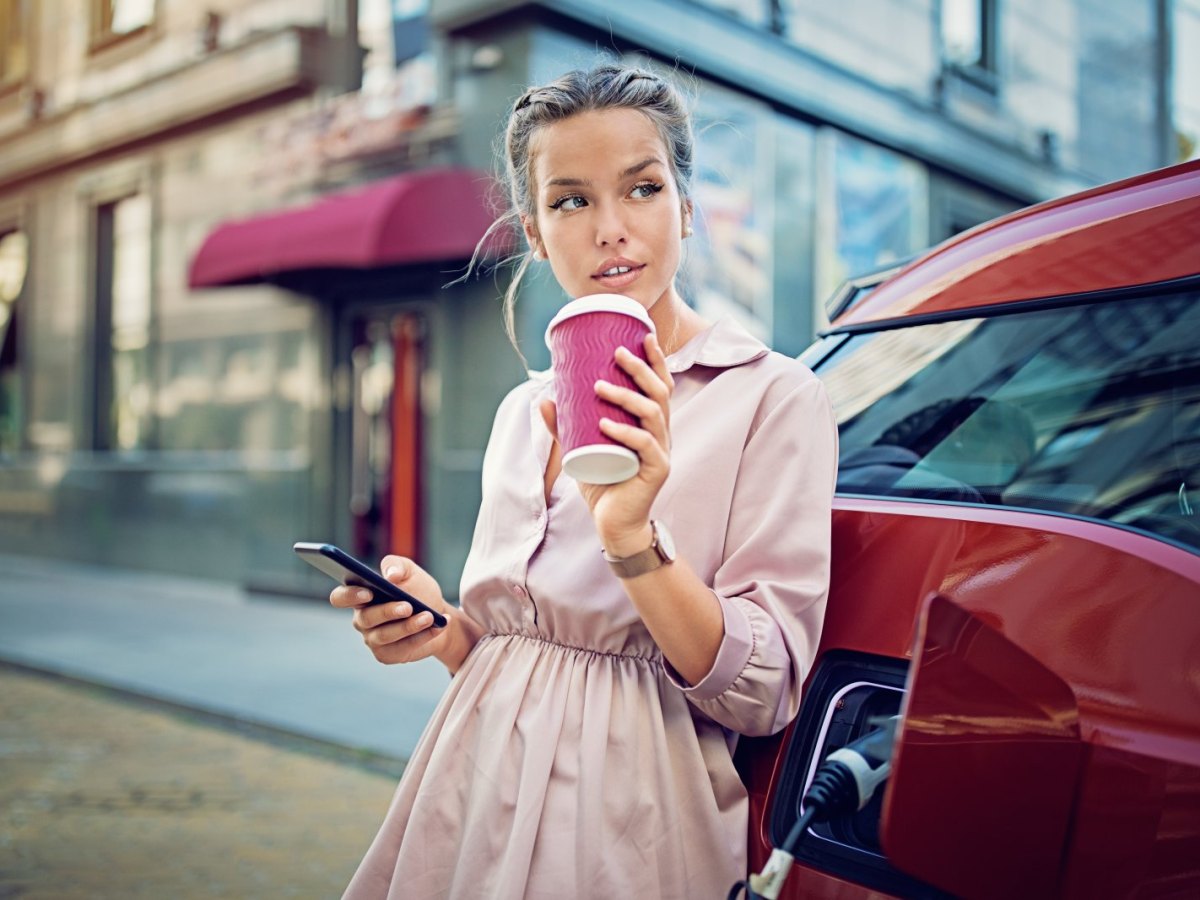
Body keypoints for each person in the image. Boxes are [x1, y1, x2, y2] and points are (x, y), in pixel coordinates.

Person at [330, 62, 838, 899]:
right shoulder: (519, 412)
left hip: (629, 809)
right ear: (533, 231)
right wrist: (440, 630)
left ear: (685, 207)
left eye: (642, 189)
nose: (610, 228)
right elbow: (511, 650)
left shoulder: (771, 398)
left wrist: (631, 541)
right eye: (570, 200)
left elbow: (768, 691)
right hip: (468, 780)